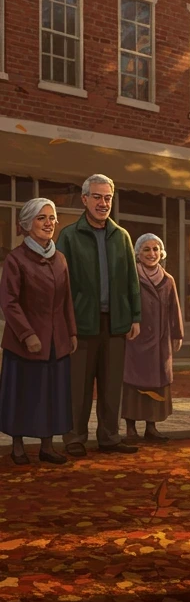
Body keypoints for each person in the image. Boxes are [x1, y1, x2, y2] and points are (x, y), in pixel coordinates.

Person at [56, 174, 141, 456]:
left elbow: (131, 280)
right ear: (84, 199)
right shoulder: (69, 236)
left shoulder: (122, 236)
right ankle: (75, 438)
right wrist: (65, 322)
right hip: (81, 323)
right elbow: (61, 284)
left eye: (107, 198)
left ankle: (109, 437)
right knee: (78, 386)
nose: (103, 203)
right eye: (97, 197)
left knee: (111, 385)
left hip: (116, 323)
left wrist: (135, 316)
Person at [0, 199, 76, 465]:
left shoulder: (60, 259)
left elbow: (66, 300)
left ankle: (47, 446)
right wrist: (27, 334)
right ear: (26, 224)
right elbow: (9, 302)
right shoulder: (15, 259)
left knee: (52, 394)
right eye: (41, 218)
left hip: (56, 339)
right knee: (23, 394)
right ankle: (17, 447)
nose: (48, 223)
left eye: (52, 218)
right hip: (24, 343)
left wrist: (72, 332)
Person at [122, 234, 183, 443]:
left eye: (155, 249)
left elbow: (175, 308)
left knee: (157, 382)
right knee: (132, 382)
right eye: (146, 249)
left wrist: (177, 333)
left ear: (161, 252)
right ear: (138, 253)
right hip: (135, 339)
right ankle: (130, 428)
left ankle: (151, 426)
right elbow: (124, 304)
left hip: (160, 340)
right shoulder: (131, 277)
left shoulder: (168, 280)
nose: (151, 253)